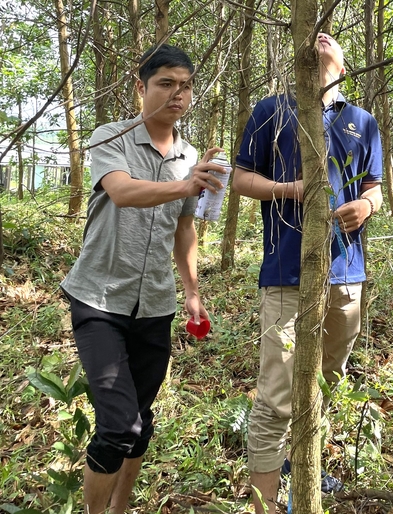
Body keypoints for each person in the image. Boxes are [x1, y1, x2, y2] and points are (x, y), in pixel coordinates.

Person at [60, 44, 226, 514]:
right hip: (99, 298)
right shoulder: (111, 137)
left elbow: (184, 227)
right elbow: (123, 191)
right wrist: (185, 183)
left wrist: (192, 291)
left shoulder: (190, 154)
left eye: (186, 85)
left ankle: (119, 507)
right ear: (141, 87)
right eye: (166, 83)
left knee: (141, 423)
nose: (178, 94)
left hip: (155, 303)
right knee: (118, 426)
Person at [232, 32, 383, 514]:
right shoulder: (270, 112)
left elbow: (375, 184)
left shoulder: (362, 122)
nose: (320, 40)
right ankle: (265, 502)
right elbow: (239, 178)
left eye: (331, 41)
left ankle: (307, 471)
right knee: (277, 394)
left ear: (342, 66)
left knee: (328, 378)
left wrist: (365, 204)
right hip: (286, 274)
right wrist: (289, 189)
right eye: (311, 38)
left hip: (346, 275)